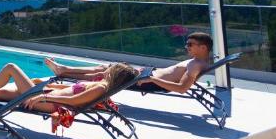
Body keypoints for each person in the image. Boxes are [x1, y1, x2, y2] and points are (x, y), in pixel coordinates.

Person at [43, 32, 214, 94]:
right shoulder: (200, 61)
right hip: (148, 73)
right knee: (107, 68)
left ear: (203, 47)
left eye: (190, 45)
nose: (186, 47)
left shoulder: (195, 65)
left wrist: (152, 79)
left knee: (103, 74)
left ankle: (63, 71)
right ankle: (64, 69)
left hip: (147, 79)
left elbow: (182, 89)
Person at [0, 61, 139, 113]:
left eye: (111, 68)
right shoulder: (101, 85)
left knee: (11, 68)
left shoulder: (101, 88)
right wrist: (51, 86)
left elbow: (73, 100)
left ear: (115, 74)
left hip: (49, 103)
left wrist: (45, 97)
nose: (107, 68)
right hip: (48, 97)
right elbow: (71, 90)